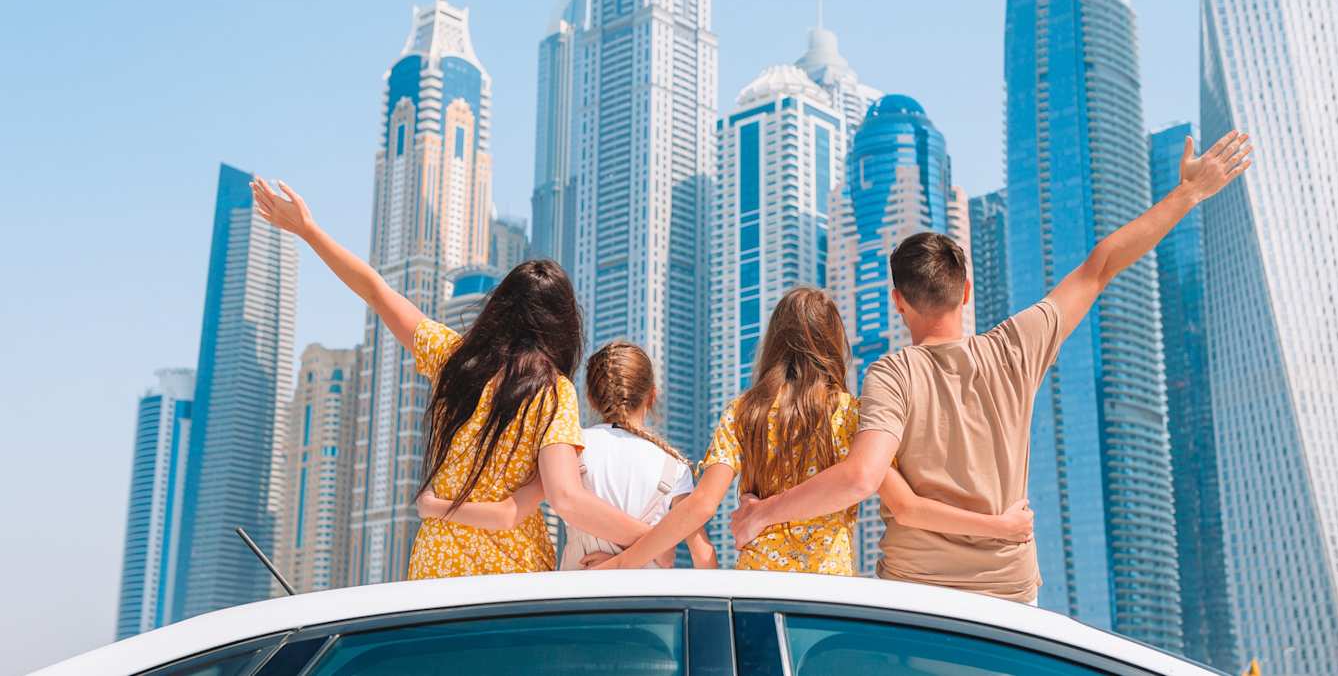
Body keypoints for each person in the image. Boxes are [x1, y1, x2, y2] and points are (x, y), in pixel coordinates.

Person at [731, 130, 1254, 601]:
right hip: (1008, 593)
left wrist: (763, 513)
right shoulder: (1015, 348)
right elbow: (1101, 265)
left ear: (897, 301)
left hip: (918, 593)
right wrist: (1188, 193)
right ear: (966, 291)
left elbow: (862, 477)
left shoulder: (891, 375)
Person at [250, 179, 667, 578]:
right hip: (512, 572)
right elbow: (566, 498)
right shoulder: (553, 392)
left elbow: (377, 291)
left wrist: (309, 231)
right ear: (563, 325)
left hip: (437, 566)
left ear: (499, 308)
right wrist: (651, 538)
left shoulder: (453, 359)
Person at [592, 287, 1033, 574]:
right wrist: (998, 525)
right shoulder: (852, 416)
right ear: (832, 343)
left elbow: (701, 505)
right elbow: (905, 505)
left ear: (774, 340)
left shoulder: (744, 411)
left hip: (757, 586)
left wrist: (622, 564)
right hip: (827, 594)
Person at [415, 341, 717, 569]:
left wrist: (433, 507)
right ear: (652, 396)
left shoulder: (567, 449)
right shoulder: (675, 466)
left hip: (578, 602)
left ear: (590, 398)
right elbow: (703, 556)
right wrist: (657, 549)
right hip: (653, 611)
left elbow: (508, 512)